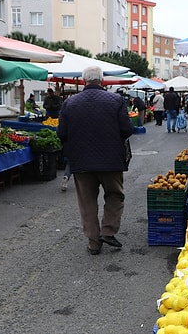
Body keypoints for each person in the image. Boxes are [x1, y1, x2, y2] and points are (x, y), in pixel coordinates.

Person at [56, 66, 134, 255]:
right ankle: (108, 230)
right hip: (111, 160)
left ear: (84, 81)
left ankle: (93, 243)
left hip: (81, 161)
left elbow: (61, 133)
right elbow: (127, 129)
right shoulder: (116, 100)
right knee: (115, 195)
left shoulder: (70, 103)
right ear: (102, 80)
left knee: (87, 202)